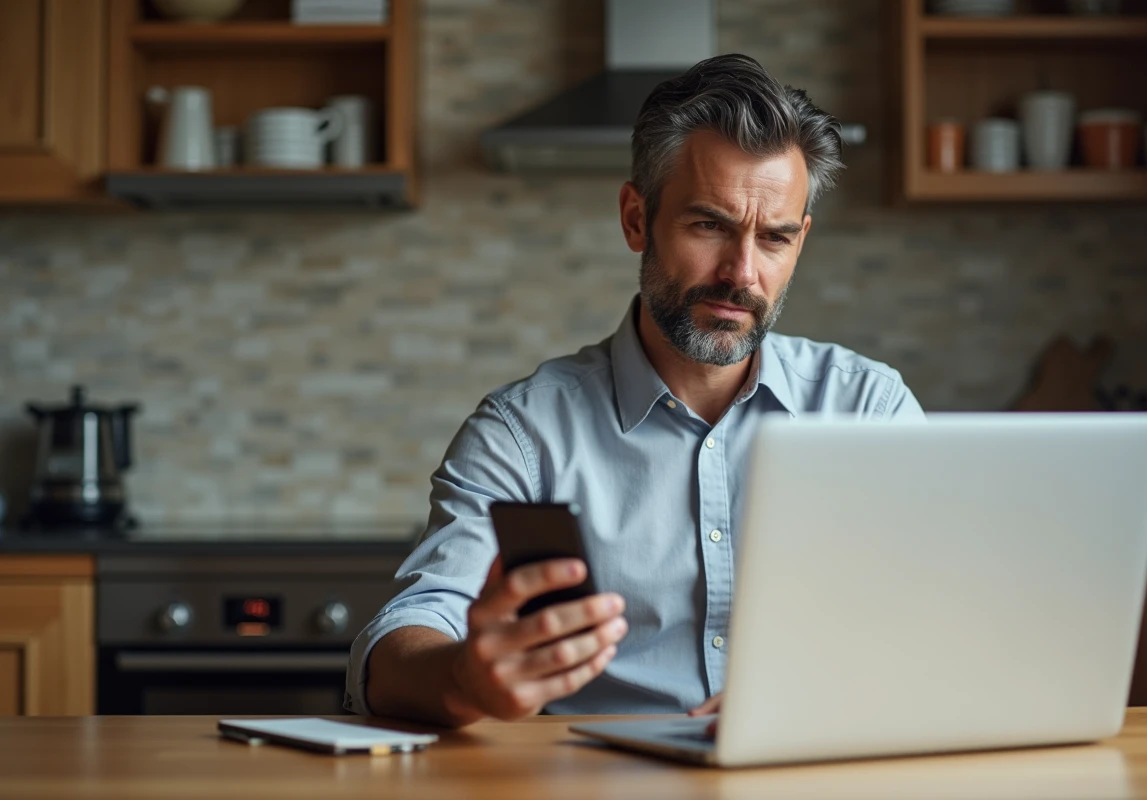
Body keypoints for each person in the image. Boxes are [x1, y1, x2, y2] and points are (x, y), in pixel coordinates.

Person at [346, 53, 923, 727]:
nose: (741, 273)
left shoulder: (869, 411)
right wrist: (463, 679)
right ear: (636, 219)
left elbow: (953, 613)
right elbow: (406, 633)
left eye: (774, 238)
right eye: (709, 225)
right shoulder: (523, 434)